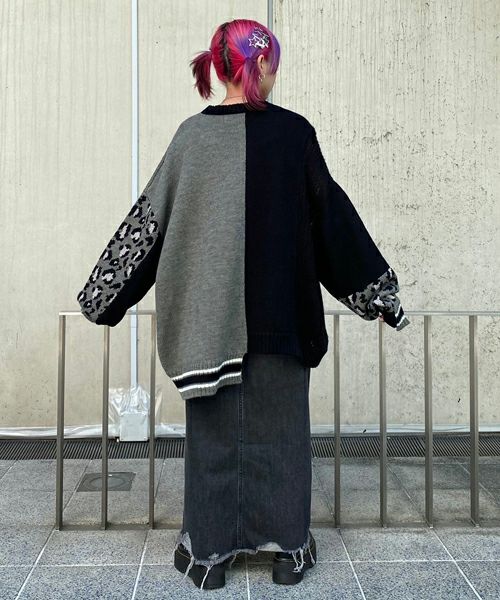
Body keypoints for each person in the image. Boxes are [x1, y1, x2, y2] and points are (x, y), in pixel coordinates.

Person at [77, 18, 410, 592]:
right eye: (272, 62)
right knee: (282, 441)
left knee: (212, 443)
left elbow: (149, 225)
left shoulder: (190, 138)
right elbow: (332, 221)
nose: (275, 72)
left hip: (208, 328)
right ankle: (288, 551)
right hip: (283, 322)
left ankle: (209, 555)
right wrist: (378, 294)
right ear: (258, 65)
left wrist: (103, 297)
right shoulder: (295, 134)